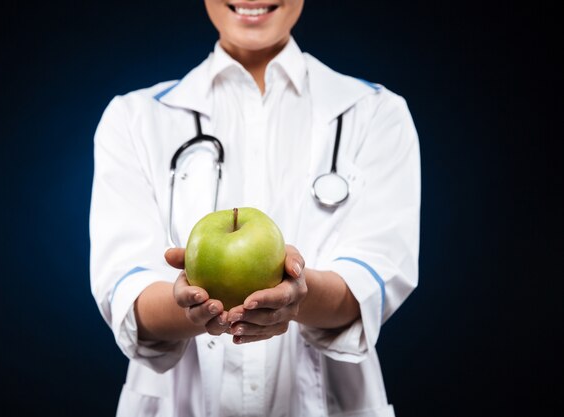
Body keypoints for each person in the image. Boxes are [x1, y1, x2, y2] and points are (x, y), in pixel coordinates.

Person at [89, 1, 421, 416]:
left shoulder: (374, 114)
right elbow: (124, 287)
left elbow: (373, 280)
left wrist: (298, 297)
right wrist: (187, 308)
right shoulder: (134, 119)